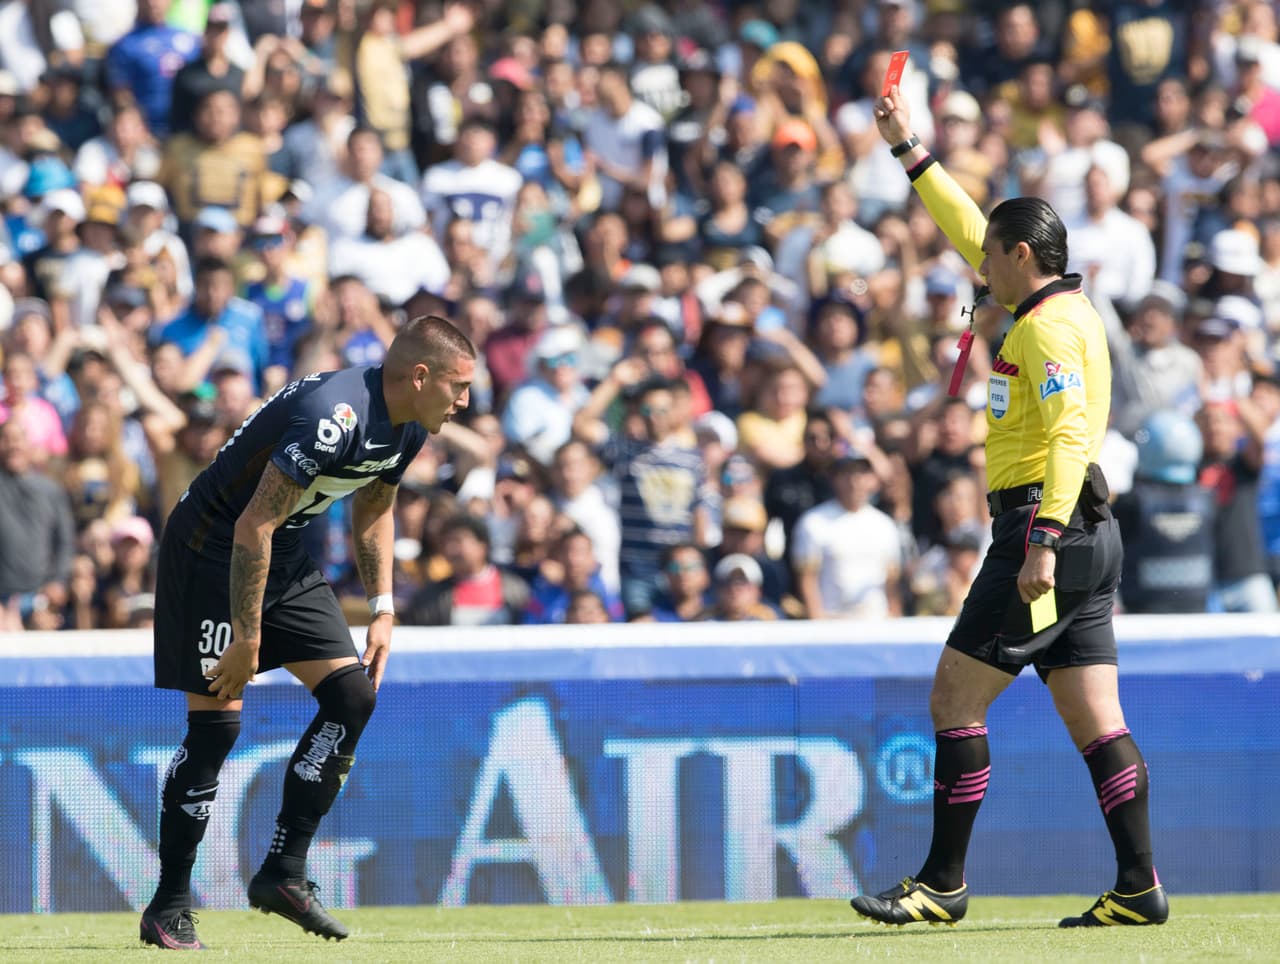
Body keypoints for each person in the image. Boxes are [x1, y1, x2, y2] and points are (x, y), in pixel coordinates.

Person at [850, 84, 1166, 929]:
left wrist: (1043, 542)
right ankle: (1139, 886)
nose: (976, 265)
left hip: (1045, 528)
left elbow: (1067, 435)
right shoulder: (1049, 304)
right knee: (1097, 720)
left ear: (1021, 254)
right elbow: (967, 226)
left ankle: (942, 884)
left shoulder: (1049, 329)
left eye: (990, 256)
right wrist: (908, 148)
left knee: (954, 700)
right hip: (1088, 532)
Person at [140, 316, 475, 950]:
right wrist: (247, 638)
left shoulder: (410, 423)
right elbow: (252, 526)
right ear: (420, 376)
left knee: (352, 696)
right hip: (212, 554)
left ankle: (282, 873)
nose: (464, 402)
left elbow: (375, 505)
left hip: (284, 555)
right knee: (216, 728)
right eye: (458, 387)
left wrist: (382, 608)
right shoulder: (333, 417)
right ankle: (169, 904)